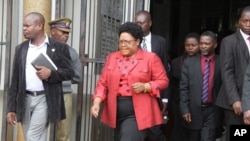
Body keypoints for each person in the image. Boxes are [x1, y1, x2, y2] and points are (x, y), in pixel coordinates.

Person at [90, 22, 169, 141]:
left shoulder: (150, 58)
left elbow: (163, 81)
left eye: (127, 42)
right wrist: (96, 102)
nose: (123, 45)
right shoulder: (112, 57)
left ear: (137, 42)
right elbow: (102, 83)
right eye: (121, 42)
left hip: (138, 113)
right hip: (115, 112)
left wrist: (146, 86)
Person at [6, 12, 74, 141]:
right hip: (24, 98)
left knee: (32, 136)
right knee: (33, 137)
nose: (24, 29)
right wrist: (11, 108)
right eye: (23, 26)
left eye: (27, 26)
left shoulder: (58, 47)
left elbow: (69, 72)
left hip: (44, 98)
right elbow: (15, 79)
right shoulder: (21, 49)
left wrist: (51, 74)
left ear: (39, 26)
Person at [215, 5, 250, 141]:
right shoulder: (228, 42)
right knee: (237, 135)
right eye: (245, 21)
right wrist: (235, 99)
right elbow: (227, 72)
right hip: (234, 102)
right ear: (238, 21)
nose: (248, 24)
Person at [179, 31, 221, 141]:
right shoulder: (189, 62)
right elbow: (184, 88)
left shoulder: (221, 62)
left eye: (207, 44)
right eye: (201, 43)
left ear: (215, 45)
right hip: (193, 110)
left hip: (212, 110)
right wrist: (184, 109)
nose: (203, 46)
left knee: (208, 138)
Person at [135, 11, 170, 136]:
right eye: (136, 23)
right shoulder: (131, 42)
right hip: (136, 92)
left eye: (142, 23)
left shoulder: (160, 42)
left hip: (155, 93)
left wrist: (165, 98)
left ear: (150, 23)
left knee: (155, 131)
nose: (138, 26)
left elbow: (164, 71)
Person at [48, 17, 82, 141]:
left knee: (63, 132)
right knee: (39, 129)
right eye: (63, 32)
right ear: (53, 31)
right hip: (42, 92)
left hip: (64, 93)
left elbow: (77, 76)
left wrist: (58, 77)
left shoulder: (71, 52)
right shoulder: (41, 48)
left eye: (67, 33)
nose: (66, 35)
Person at [169, 32, 200, 141]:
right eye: (187, 45)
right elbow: (170, 83)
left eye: (193, 45)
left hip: (197, 102)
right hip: (177, 100)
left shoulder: (205, 63)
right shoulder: (176, 62)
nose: (190, 48)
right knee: (178, 127)